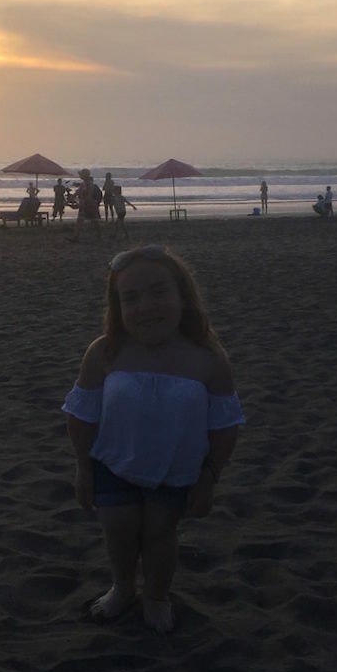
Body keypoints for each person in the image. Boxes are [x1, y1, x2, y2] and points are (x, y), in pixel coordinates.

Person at [62, 246, 244, 633]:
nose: (146, 306)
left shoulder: (207, 358)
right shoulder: (105, 352)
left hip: (176, 470)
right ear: (118, 307)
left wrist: (210, 477)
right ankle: (123, 588)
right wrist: (83, 467)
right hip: (113, 464)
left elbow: (225, 425)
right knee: (119, 530)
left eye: (159, 292)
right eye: (131, 298)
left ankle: (157, 596)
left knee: (160, 534)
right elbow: (81, 415)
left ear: (183, 296)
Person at [68, 168, 101, 242]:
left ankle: (99, 236)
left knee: (94, 222)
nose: (80, 176)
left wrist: (81, 203)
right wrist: (70, 199)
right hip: (85, 205)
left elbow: (89, 196)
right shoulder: (83, 184)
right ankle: (76, 237)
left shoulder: (90, 184)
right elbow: (77, 193)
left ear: (84, 176)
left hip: (90, 206)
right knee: (80, 221)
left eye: (81, 175)